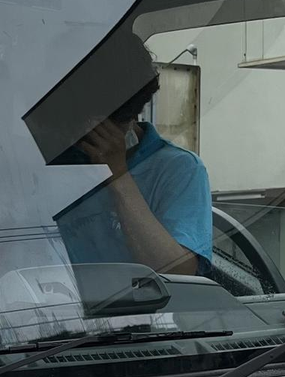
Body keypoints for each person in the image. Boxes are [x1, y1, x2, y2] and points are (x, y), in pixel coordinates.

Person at [55, 41, 213, 278]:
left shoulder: (179, 168)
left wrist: (118, 175)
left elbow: (178, 271)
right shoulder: (57, 162)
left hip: (136, 301)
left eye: (103, 127)